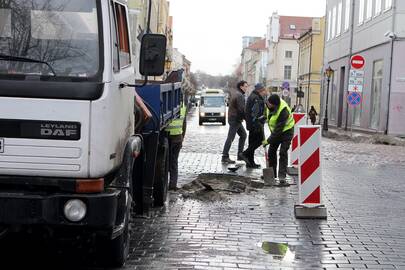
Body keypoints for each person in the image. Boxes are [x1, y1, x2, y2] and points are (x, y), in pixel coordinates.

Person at [263, 94, 295, 184]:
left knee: (283, 152)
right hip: (276, 132)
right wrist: (263, 118)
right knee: (271, 152)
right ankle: (272, 174)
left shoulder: (283, 110)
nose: (267, 105)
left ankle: (282, 176)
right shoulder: (269, 104)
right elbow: (269, 115)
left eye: (269, 104)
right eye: (267, 103)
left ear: (274, 105)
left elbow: (278, 130)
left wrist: (268, 141)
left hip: (287, 131)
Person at [240, 83, 267, 168]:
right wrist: (260, 120)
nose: (265, 92)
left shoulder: (253, 96)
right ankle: (245, 153)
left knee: (251, 143)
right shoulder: (256, 98)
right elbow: (255, 113)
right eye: (264, 90)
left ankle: (250, 162)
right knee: (260, 140)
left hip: (252, 124)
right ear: (260, 90)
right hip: (255, 124)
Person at [221, 81, 248, 164]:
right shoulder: (239, 95)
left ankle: (240, 155)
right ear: (241, 87)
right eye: (245, 86)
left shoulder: (237, 93)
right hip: (235, 119)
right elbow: (241, 109)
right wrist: (246, 118)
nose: (246, 88)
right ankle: (225, 156)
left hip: (235, 118)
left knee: (243, 135)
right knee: (230, 137)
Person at [166, 101, 187, 190]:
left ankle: (166, 183)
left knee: (167, 162)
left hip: (167, 136)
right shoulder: (183, 106)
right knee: (174, 162)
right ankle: (173, 185)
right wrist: (182, 138)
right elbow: (184, 124)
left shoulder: (167, 104)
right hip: (178, 137)